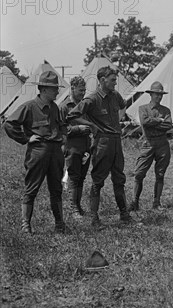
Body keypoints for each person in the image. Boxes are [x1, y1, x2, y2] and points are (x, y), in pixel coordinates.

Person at [67, 66, 132, 226]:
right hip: (102, 143)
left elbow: (123, 105)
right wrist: (91, 125)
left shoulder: (115, 95)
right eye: (112, 80)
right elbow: (71, 115)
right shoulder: (92, 99)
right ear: (102, 80)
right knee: (98, 181)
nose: (115, 83)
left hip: (117, 141)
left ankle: (124, 215)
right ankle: (94, 219)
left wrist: (118, 120)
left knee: (119, 179)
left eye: (115, 80)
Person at [5, 71, 67, 234]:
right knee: (31, 188)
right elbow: (9, 124)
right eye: (54, 89)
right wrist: (26, 138)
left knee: (56, 189)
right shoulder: (29, 106)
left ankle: (59, 223)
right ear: (44, 89)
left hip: (55, 152)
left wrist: (62, 138)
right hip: (38, 151)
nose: (57, 92)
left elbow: (61, 126)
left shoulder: (55, 108)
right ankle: (26, 225)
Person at [129, 81, 172, 211]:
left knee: (160, 174)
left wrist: (154, 123)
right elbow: (144, 122)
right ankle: (134, 202)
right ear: (151, 94)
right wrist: (159, 121)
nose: (158, 97)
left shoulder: (166, 110)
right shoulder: (143, 108)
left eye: (160, 95)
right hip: (148, 143)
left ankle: (156, 202)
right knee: (139, 174)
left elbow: (168, 125)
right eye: (156, 94)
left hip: (162, 144)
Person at [58, 76, 90, 218]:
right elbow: (60, 129)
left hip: (86, 146)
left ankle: (78, 205)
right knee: (73, 176)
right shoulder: (65, 107)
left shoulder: (85, 106)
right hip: (72, 146)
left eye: (84, 90)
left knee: (82, 177)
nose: (83, 93)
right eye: (80, 90)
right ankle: (73, 208)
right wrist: (78, 129)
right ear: (72, 89)